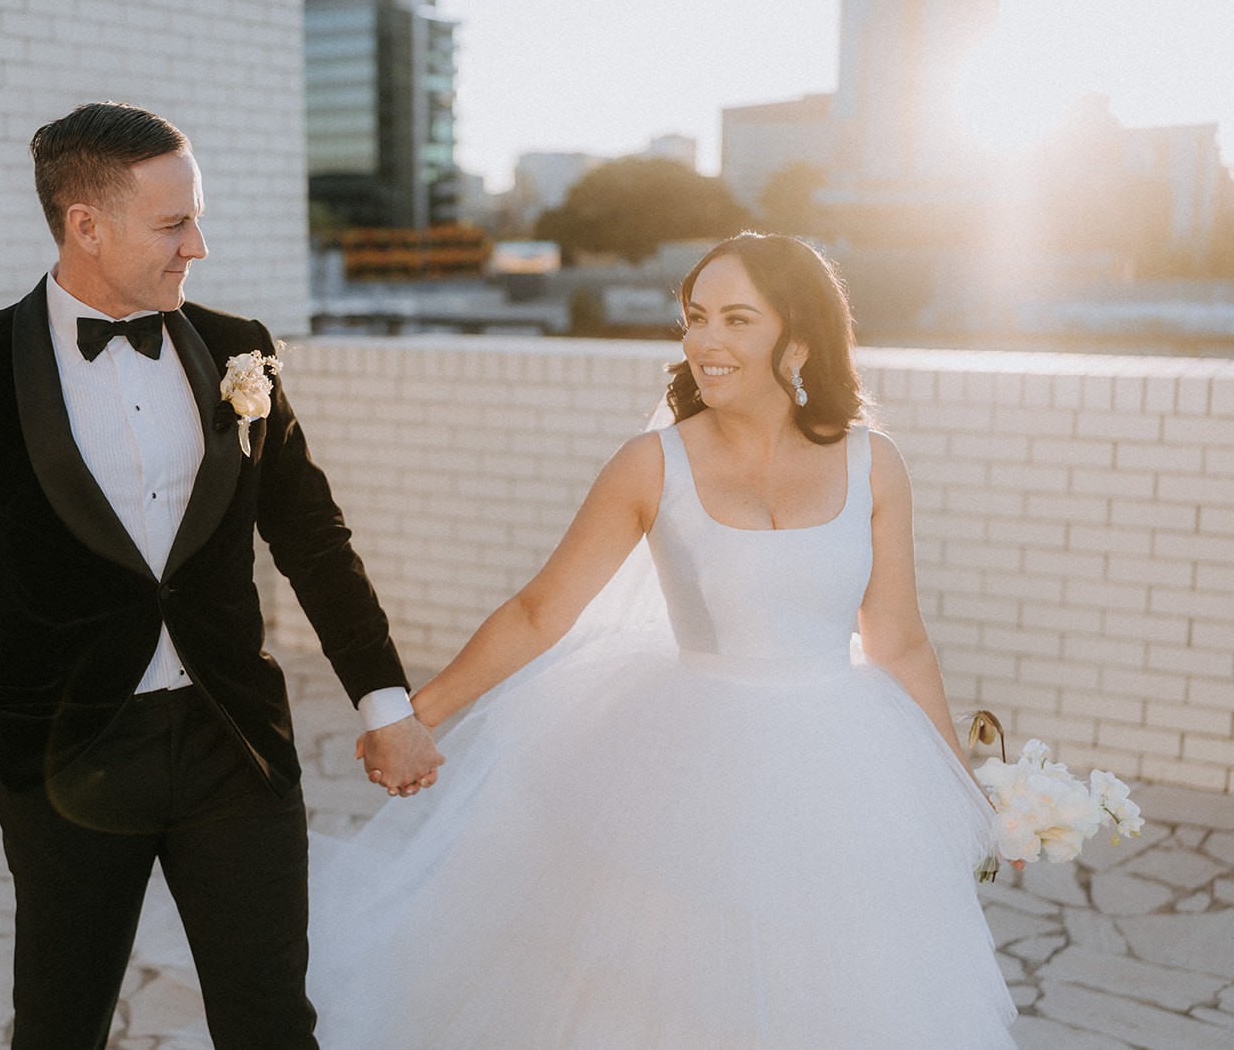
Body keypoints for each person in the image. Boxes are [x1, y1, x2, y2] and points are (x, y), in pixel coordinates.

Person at [308, 232, 1018, 1048]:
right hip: (690, 766)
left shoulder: (874, 463)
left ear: (800, 339)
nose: (706, 341)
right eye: (696, 317)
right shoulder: (651, 464)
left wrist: (963, 790)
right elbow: (540, 610)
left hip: (841, 767)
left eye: (738, 319)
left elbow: (899, 643)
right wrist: (413, 715)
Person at [0, 101, 442, 1050]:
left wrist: (386, 704)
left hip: (233, 744)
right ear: (86, 225)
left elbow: (312, 537)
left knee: (271, 1024)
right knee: (61, 1026)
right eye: (173, 224)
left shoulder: (239, 346)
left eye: (196, 218)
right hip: (62, 757)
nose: (197, 246)